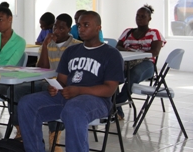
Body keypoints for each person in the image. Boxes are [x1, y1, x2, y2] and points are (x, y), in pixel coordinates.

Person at [18, 11, 124, 152]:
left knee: (74, 110)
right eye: (79, 25)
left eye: (86, 25)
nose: (81, 28)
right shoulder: (71, 51)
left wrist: (79, 91)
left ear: (98, 27)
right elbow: (62, 81)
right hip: (67, 96)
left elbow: (110, 89)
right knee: (27, 104)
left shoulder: (111, 53)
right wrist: (55, 88)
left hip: (97, 100)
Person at [12, 14, 82, 149]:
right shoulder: (48, 43)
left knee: (53, 94)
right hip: (45, 80)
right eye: (56, 26)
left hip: (64, 84)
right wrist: (45, 45)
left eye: (62, 28)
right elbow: (41, 69)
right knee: (17, 90)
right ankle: (20, 130)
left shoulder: (76, 46)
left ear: (69, 29)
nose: (57, 31)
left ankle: (55, 136)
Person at [115, 4, 166, 119]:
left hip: (146, 64)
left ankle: (116, 102)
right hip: (127, 62)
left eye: (143, 16)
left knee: (134, 74)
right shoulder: (128, 32)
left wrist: (135, 52)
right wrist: (131, 52)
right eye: (138, 16)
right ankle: (118, 112)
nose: (139, 18)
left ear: (149, 18)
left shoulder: (154, 33)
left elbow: (154, 52)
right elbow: (118, 46)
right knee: (111, 75)